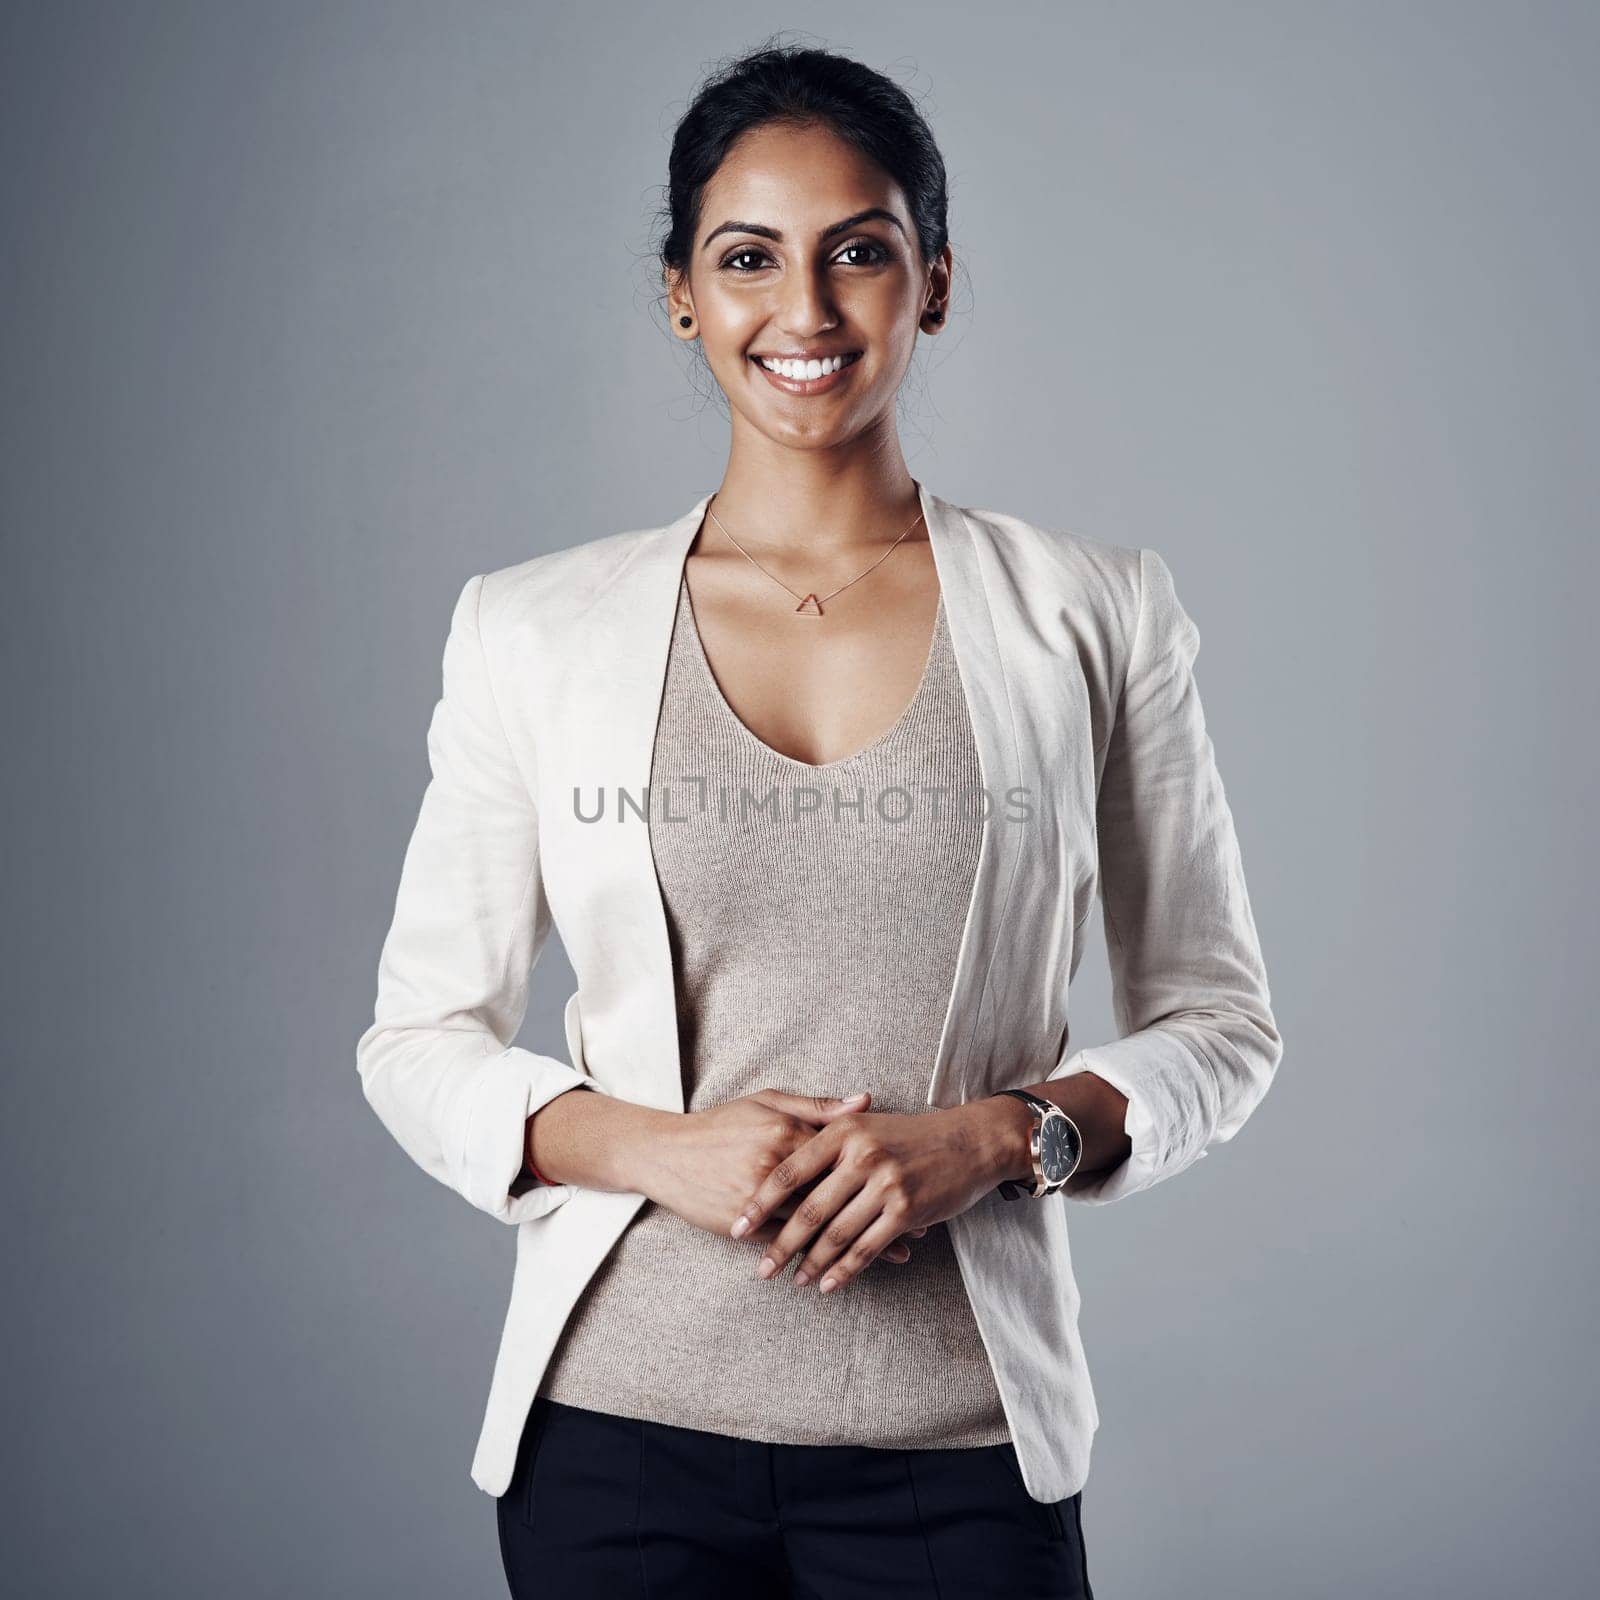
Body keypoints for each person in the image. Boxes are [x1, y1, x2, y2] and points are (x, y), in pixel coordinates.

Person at [357, 40, 1282, 1600]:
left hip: (959, 1455)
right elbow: (414, 1042)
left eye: (860, 251)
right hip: (617, 1446)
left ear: (931, 285)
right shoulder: (530, 629)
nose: (804, 308)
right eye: (746, 259)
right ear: (680, 297)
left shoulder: (1095, 614)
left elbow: (1220, 1024)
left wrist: (1002, 1136)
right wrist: (659, 1153)